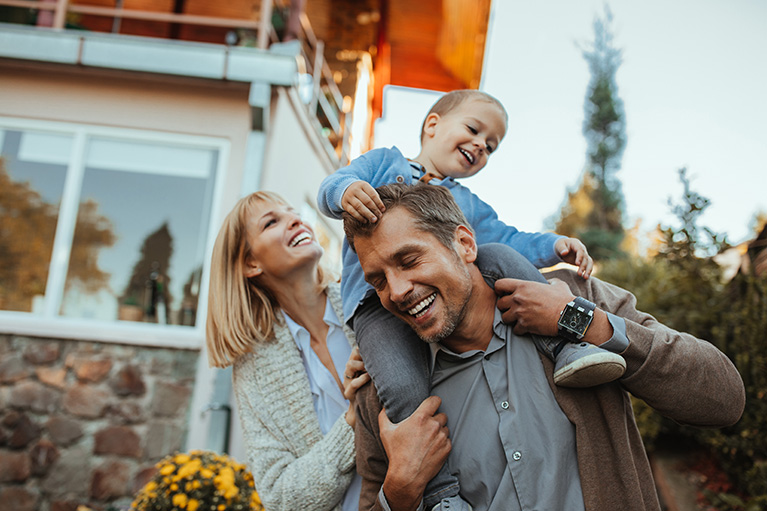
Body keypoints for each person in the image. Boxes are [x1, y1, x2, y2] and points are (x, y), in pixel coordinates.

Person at [343, 183, 746, 511]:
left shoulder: (571, 298)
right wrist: (399, 492)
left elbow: (722, 399)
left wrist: (581, 321)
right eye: (377, 280)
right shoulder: (384, 394)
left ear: (465, 244)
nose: (396, 291)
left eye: (410, 260)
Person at [318, 90, 624, 510]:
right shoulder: (383, 162)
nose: (482, 145)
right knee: (404, 386)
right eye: (474, 129)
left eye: (492, 146)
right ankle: (442, 496)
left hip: (453, 291)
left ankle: (567, 345)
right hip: (376, 305)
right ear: (432, 126)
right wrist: (347, 191)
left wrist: (556, 245)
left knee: (499, 255)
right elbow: (332, 184)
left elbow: (511, 239)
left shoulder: (467, 205)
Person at [205, 191, 371, 511]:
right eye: (272, 222)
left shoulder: (364, 304)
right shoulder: (255, 368)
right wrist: (352, 421)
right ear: (251, 263)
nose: (296, 220)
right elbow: (280, 497)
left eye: (293, 212)